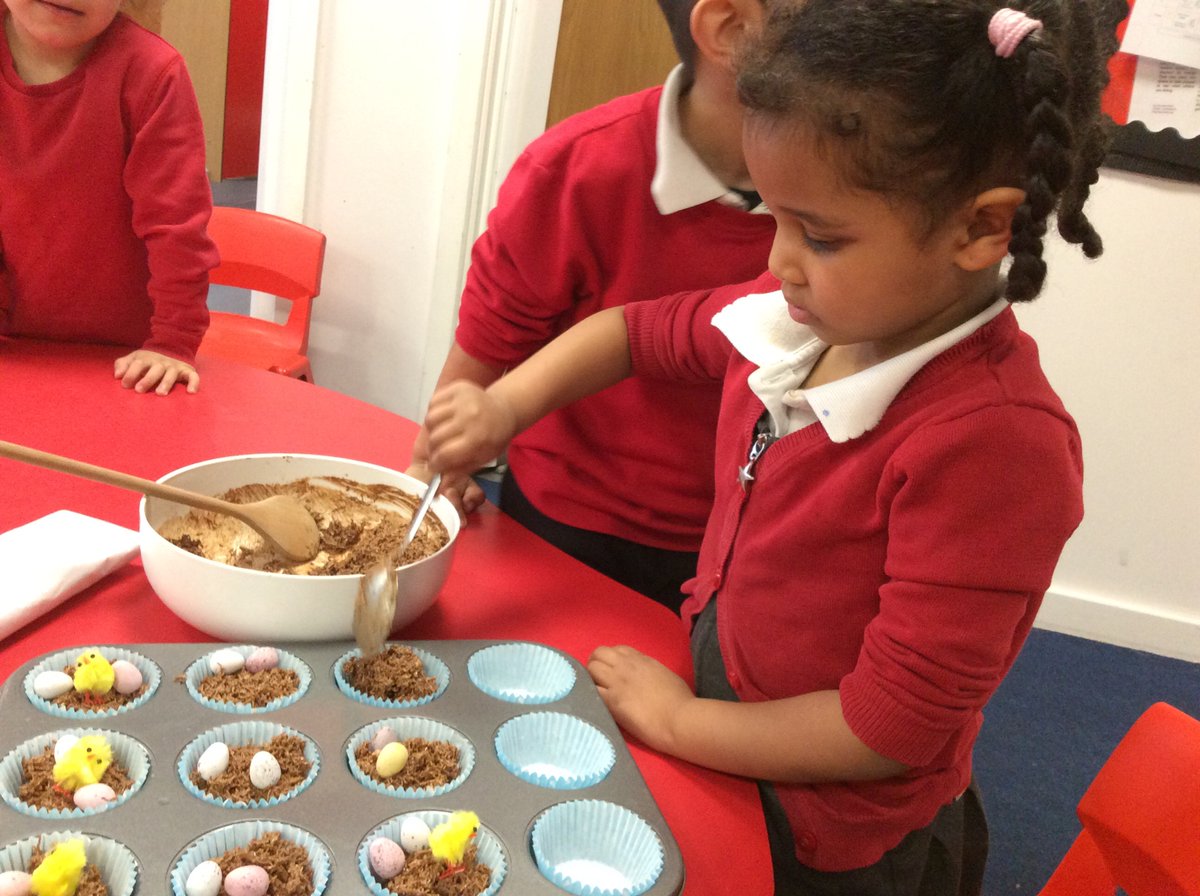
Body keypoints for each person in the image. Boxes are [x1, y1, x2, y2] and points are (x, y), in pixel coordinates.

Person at [423, 0, 1128, 892]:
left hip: (830, 834)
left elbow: (885, 728)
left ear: (982, 227)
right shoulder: (802, 320)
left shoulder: (997, 448)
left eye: (820, 235)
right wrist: (502, 407)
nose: (780, 258)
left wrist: (681, 724)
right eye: (776, 216)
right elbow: (638, 332)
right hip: (732, 732)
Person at [405, 0, 776, 611]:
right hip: (567, 521)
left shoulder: (854, 195)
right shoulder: (576, 170)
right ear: (730, 28)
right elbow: (489, 343)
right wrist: (440, 462)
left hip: (739, 535)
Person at [0, 0, 218, 395]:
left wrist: (172, 341)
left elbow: (176, 225)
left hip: (125, 358)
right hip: (13, 349)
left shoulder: (152, 72)